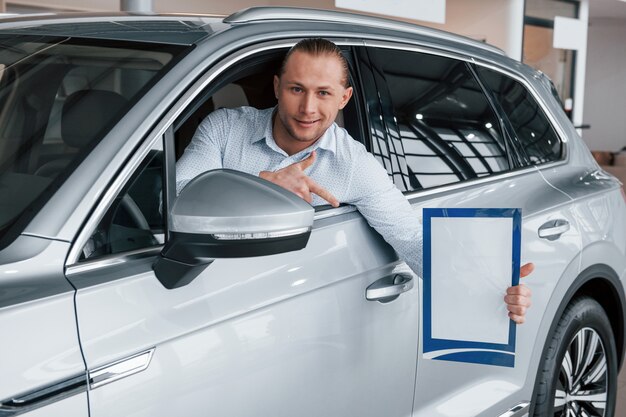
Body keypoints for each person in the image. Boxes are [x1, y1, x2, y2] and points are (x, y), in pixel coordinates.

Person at [176, 38, 533, 323]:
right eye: (296, 89)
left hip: (295, 317)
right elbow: (175, 200)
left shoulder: (352, 164)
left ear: (344, 98)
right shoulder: (224, 128)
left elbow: (411, 237)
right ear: (276, 87)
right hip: (202, 297)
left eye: (324, 93)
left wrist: (490, 282)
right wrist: (262, 186)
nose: (308, 109)